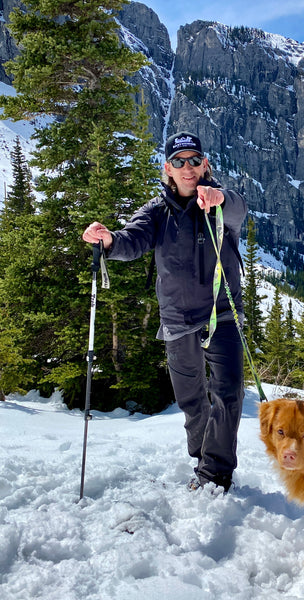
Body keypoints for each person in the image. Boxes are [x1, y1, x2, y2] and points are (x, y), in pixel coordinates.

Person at [82, 131, 247, 492]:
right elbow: (132, 240)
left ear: (204, 165)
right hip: (178, 318)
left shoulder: (220, 203)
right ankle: (203, 455)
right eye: (178, 162)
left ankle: (215, 474)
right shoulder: (156, 212)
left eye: (193, 161)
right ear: (167, 169)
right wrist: (108, 240)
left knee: (229, 390)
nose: (187, 168)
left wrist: (219, 197)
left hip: (222, 313)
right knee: (191, 398)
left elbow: (239, 209)